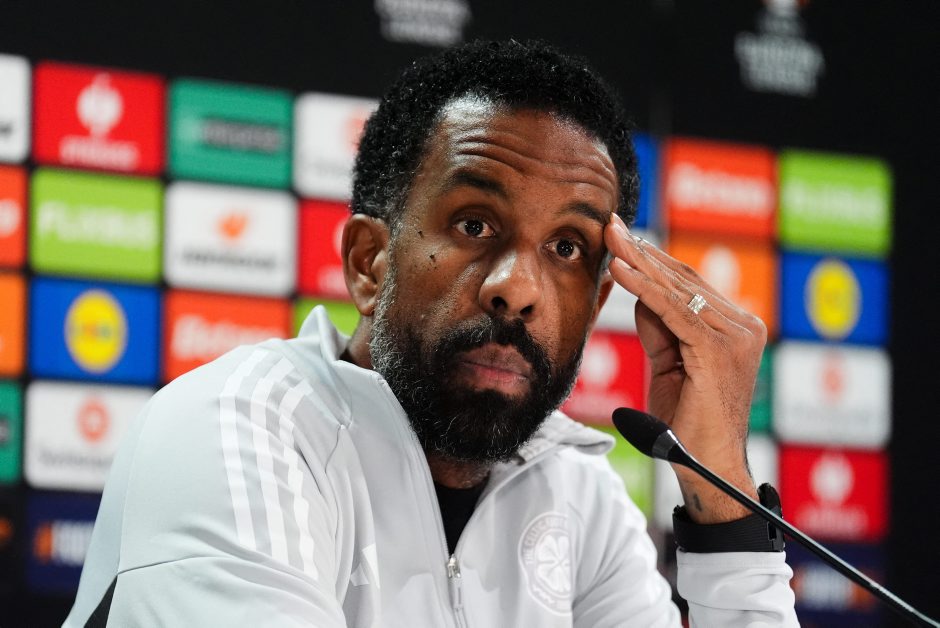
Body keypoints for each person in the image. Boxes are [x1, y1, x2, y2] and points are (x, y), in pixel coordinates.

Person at [65, 39, 797, 626]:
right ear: (369, 263)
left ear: (600, 297)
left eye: (566, 247)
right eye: (474, 225)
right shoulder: (233, 430)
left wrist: (723, 498)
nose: (518, 287)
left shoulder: (582, 500)